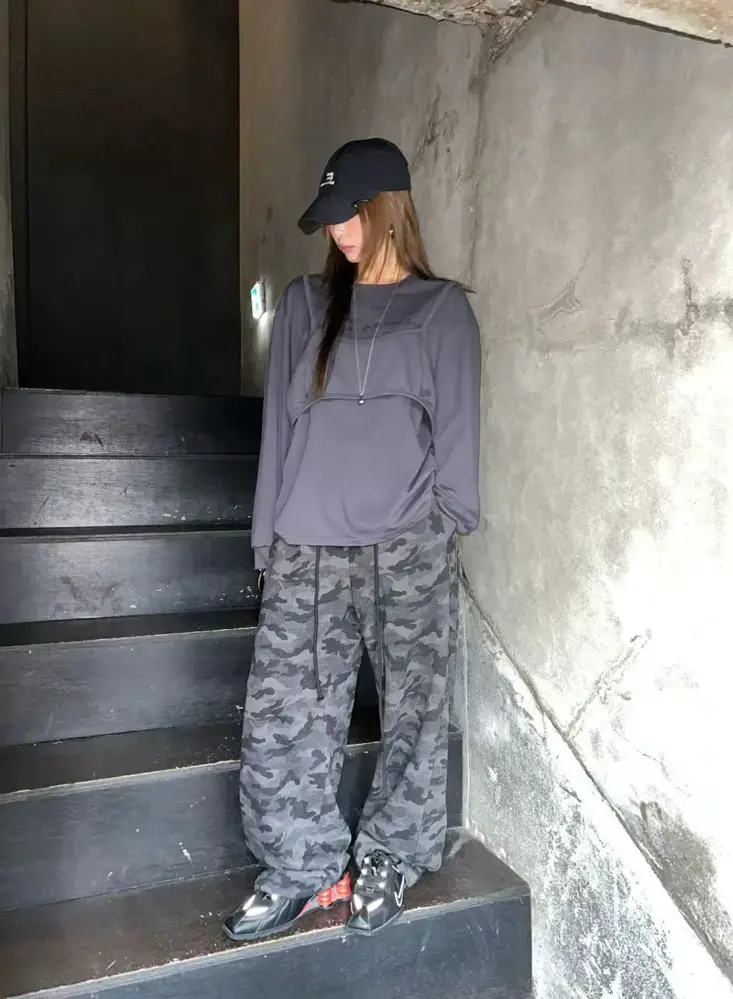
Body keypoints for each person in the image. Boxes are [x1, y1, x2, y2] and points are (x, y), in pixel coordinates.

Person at [222, 137, 480, 942]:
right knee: (283, 716)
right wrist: (266, 542)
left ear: (388, 209)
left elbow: (458, 436)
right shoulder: (305, 305)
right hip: (307, 544)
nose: (337, 232)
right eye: (329, 218)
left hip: (408, 542)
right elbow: (278, 433)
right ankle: (299, 864)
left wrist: (444, 522)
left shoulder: (443, 311)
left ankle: (391, 854)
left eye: (350, 214)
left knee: (414, 714)